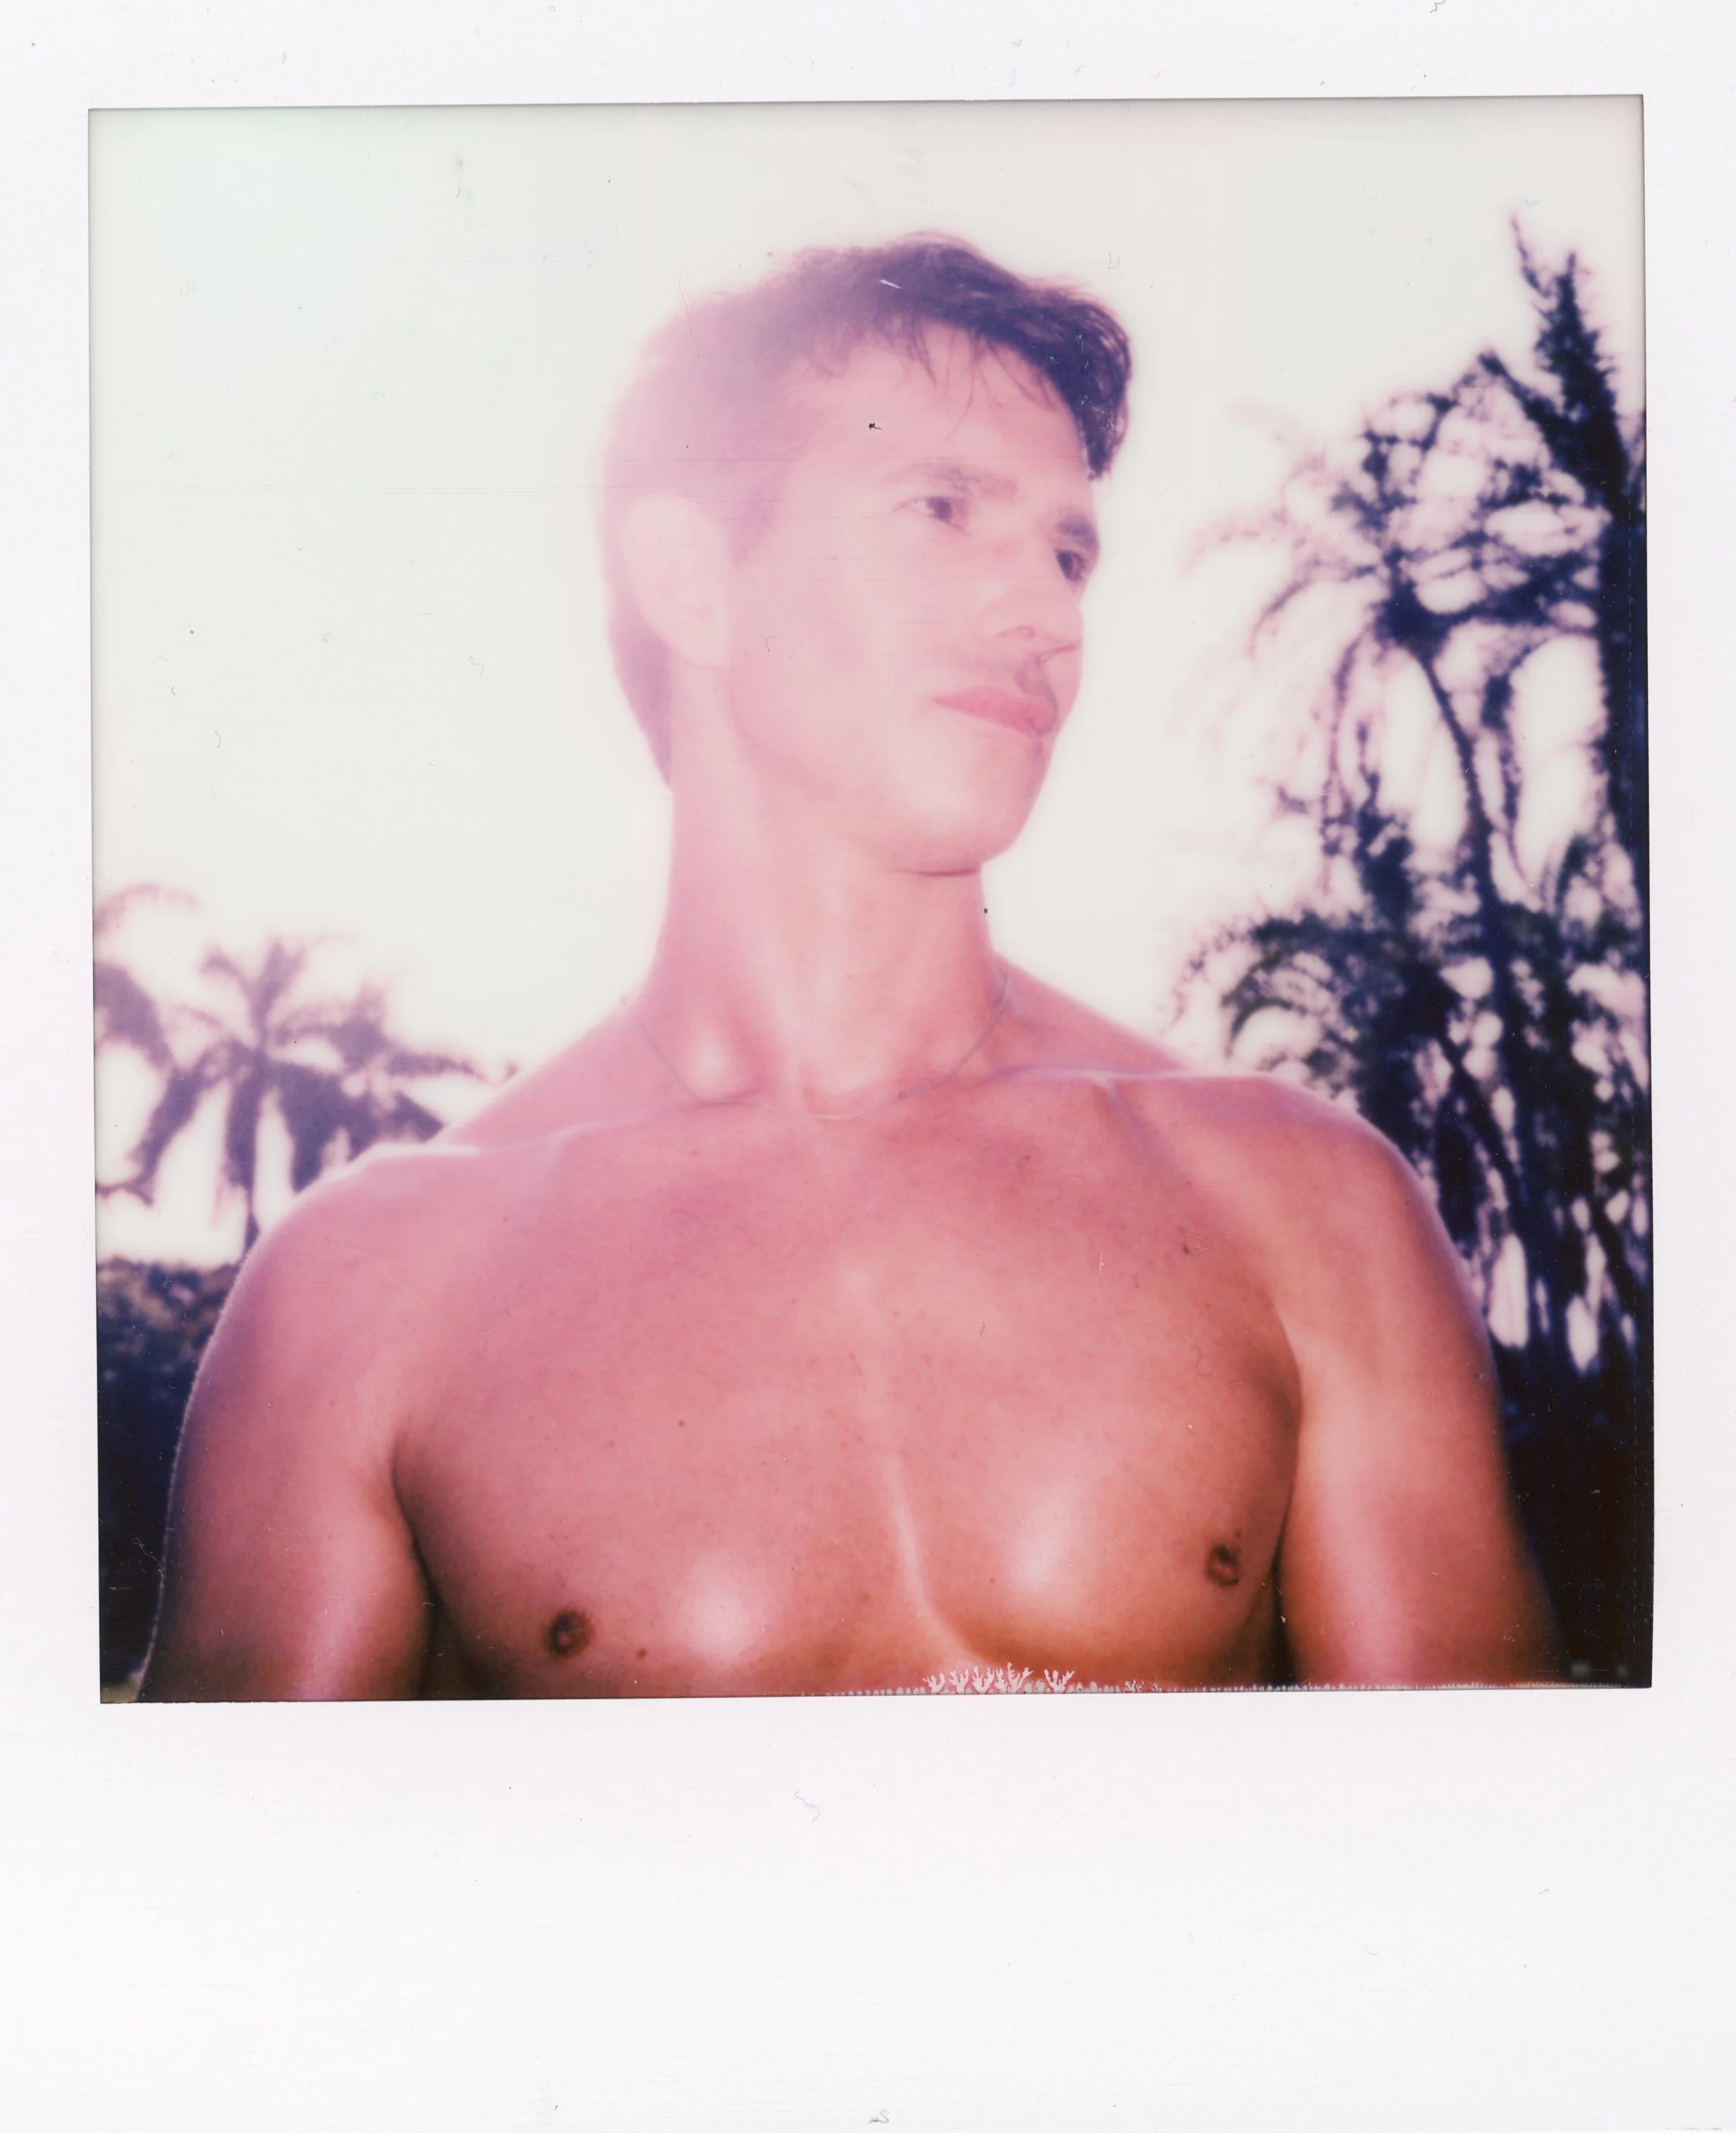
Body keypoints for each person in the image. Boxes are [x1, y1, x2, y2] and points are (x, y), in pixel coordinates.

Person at [140, 236, 1559, 1699]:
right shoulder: (368, 1289)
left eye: (1070, 553)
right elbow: (252, 1907)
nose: (1052, 616)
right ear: (693, 581)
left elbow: (1485, 1878)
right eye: (942, 509)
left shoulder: (1300, 1206)